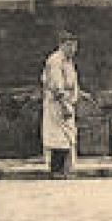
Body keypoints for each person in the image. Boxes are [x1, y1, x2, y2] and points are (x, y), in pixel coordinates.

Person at [41, 30, 82, 177]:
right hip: (57, 104)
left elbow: (72, 82)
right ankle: (56, 170)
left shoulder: (68, 61)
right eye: (69, 45)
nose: (73, 49)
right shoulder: (55, 60)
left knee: (68, 136)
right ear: (61, 45)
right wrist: (64, 105)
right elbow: (57, 85)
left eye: (75, 46)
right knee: (58, 137)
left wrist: (78, 95)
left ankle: (65, 169)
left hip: (67, 102)